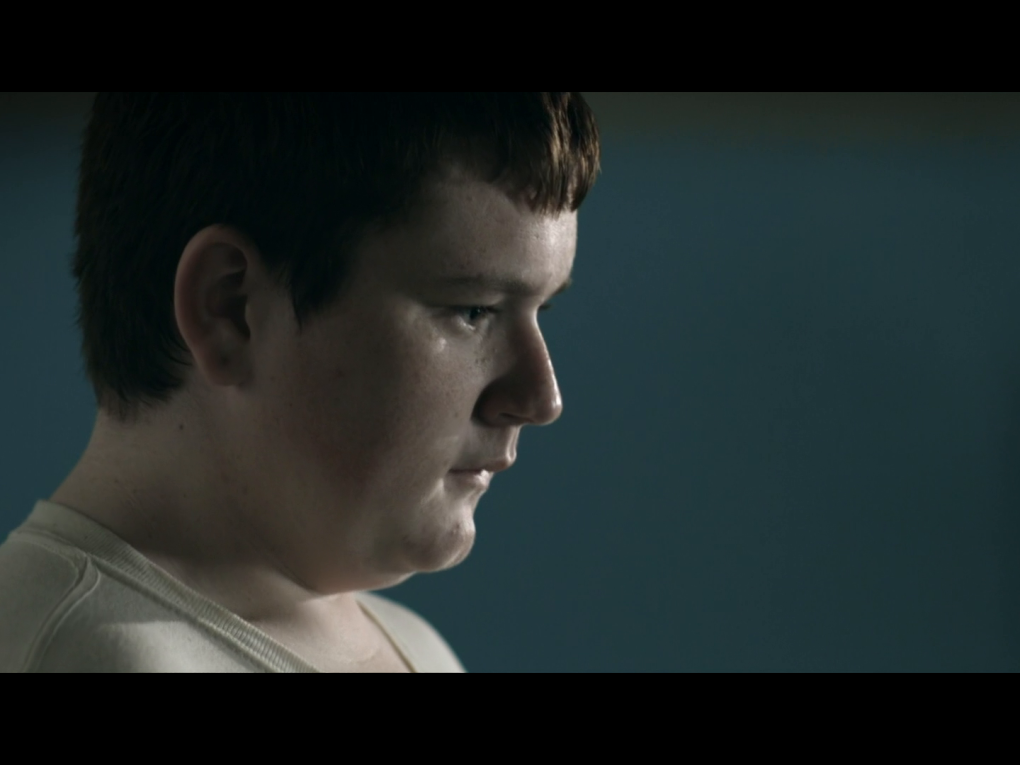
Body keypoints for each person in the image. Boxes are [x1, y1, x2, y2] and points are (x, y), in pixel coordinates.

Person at [0, 93, 600, 672]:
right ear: (229, 309)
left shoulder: (418, 648)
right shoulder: (82, 656)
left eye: (541, 310)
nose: (541, 399)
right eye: (474, 310)